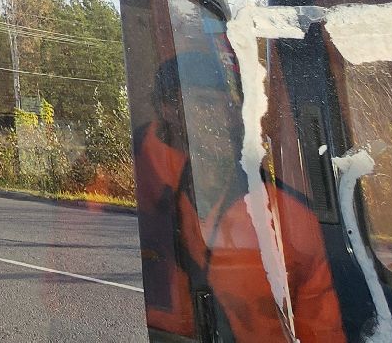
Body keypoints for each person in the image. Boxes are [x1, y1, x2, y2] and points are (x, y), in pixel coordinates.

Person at [134, 50, 345, 343]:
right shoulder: (149, 193)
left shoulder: (289, 220)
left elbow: (324, 330)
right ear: (169, 111)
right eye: (205, 104)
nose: (224, 119)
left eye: (231, 106)